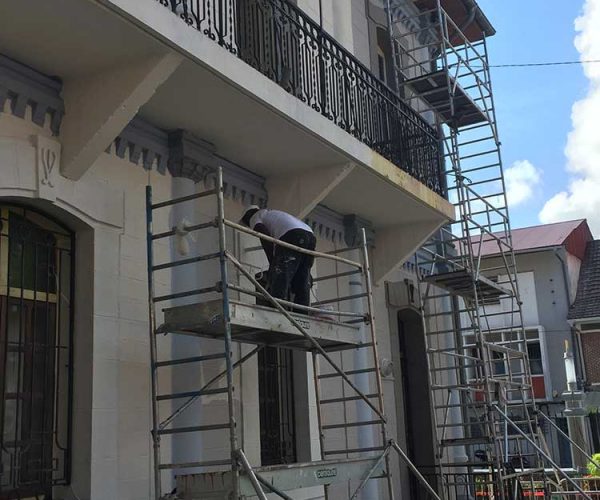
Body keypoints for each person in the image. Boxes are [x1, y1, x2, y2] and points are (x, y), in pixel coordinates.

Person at [240, 206, 316, 307]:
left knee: (281, 275)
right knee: (303, 277)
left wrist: (273, 263)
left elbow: (265, 238)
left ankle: (278, 308)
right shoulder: (272, 214)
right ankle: (302, 311)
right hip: (310, 235)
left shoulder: (255, 217)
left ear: (247, 217)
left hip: (292, 234)